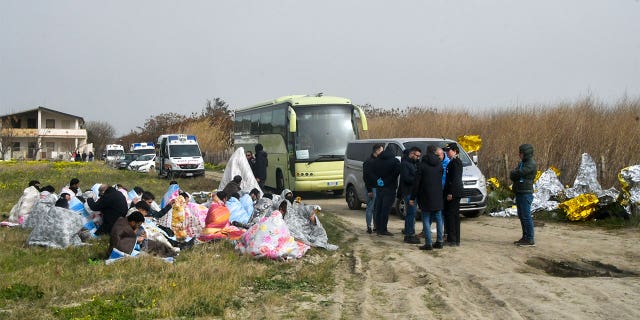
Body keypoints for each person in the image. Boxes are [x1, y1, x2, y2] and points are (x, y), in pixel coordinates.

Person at [411, 145, 444, 250]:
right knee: (439, 219)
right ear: (435, 152)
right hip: (438, 195)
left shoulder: (422, 165)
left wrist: (412, 197)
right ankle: (439, 241)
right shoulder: (439, 164)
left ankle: (428, 243)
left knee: (426, 218)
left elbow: (417, 183)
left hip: (425, 195)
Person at [510, 144, 537, 247]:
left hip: (526, 193)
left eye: (521, 153)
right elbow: (513, 174)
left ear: (526, 154)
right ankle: (525, 237)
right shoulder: (523, 163)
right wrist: (515, 173)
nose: (519, 155)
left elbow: (518, 173)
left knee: (526, 216)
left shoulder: (530, 164)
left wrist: (515, 173)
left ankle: (530, 238)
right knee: (521, 216)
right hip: (520, 191)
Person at [371, 147, 401, 236]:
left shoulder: (376, 160)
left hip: (379, 187)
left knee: (379, 208)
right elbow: (396, 173)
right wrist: (387, 181)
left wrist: (378, 180)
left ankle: (378, 228)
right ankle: (383, 229)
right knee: (386, 210)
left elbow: (372, 172)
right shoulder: (395, 161)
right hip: (390, 187)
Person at [443, 143, 464, 247]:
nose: (447, 152)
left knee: (452, 216)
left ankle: (453, 239)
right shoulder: (453, 162)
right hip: (454, 192)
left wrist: (451, 192)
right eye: (446, 151)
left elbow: (455, 179)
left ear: (455, 151)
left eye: (449, 150)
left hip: (454, 192)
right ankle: (453, 238)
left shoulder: (455, 162)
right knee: (452, 215)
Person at [400, 146, 422, 244]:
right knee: (410, 214)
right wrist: (417, 180)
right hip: (409, 192)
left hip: (414, 192)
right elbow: (406, 178)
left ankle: (409, 232)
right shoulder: (405, 164)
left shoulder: (415, 163)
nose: (418, 158)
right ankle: (409, 235)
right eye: (417, 155)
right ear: (412, 154)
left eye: (419, 156)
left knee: (412, 214)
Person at [363, 143, 383, 234]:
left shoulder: (378, 160)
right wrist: (369, 190)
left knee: (376, 208)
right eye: (381, 151)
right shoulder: (368, 162)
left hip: (377, 187)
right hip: (371, 187)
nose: (382, 152)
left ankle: (376, 226)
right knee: (370, 207)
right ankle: (369, 227)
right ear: (377, 151)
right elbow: (366, 177)